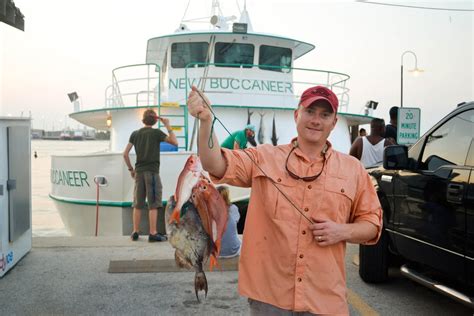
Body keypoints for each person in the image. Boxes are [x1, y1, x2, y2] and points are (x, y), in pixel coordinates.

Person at [187, 85, 382, 315]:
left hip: (325, 299)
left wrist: (342, 231)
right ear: (297, 115)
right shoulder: (263, 156)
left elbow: (372, 224)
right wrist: (206, 121)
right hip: (270, 298)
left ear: (334, 122)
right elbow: (213, 163)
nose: (316, 120)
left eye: (325, 115)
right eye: (310, 112)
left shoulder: (354, 170)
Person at [123, 109, 178, 242]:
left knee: (138, 203)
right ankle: (152, 233)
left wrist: (131, 169)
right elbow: (175, 142)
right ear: (154, 121)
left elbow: (125, 154)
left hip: (139, 173)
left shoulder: (135, 134)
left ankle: (135, 232)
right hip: (152, 172)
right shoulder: (156, 133)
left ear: (143, 120)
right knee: (153, 203)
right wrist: (168, 126)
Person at [217, 186, 241, 258]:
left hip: (217, 253)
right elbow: (236, 221)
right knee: (240, 239)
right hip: (233, 251)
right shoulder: (233, 208)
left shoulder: (210, 211)